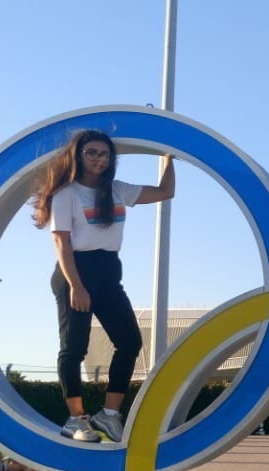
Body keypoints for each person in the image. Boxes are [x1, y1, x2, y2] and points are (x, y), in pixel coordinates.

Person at [32, 129, 175, 443]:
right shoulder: (67, 193)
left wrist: (168, 155)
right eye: (91, 153)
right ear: (78, 156)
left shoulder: (118, 190)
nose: (99, 159)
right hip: (75, 271)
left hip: (109, 271)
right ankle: (75, 419)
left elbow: (165, 192)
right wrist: (76, 286)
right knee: (74, 348)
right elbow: (61, 242)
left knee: (130, 341)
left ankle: (109, 414)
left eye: (105, 154)